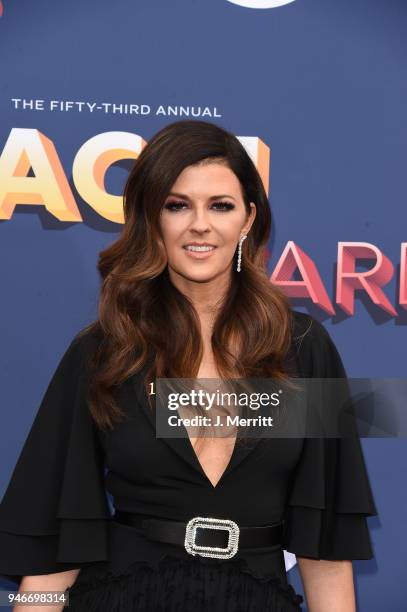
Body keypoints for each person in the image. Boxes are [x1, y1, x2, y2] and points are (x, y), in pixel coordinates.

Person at [0, 119, 377, 611]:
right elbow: (52, 558)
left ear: (248, 219)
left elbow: (325, 555)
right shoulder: (105, 352)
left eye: (220, 205)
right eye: (177, 205)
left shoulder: (303, 349)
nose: (200, 224)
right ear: (151, 220)